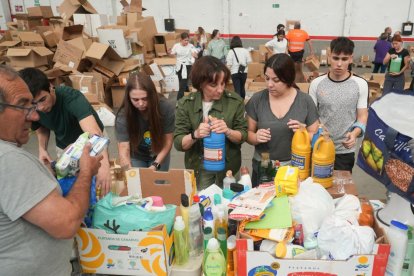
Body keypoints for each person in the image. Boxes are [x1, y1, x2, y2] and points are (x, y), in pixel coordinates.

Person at [0, 64, 101, 275]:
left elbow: (93, 132)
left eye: (35, 104)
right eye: (23, 105)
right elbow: (68, 222)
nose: (35, 116)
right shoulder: (8, 160)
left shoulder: (71, 98)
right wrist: (85, 173)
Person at [19, 67, 111, 195]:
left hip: (92, 143)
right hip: (64, 146)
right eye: (35, 104)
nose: (41, 107)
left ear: (51, 87)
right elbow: (41, 127)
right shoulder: (34, 109)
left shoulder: (72, 98)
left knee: (99, 180)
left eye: (43, 99)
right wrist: (42, 149)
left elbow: (94, 133)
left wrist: (104, 165)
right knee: (70, 184)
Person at [174, 56, 247, 190]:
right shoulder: (186, 104)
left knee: (227, 203)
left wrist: (228, 131)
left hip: (228, 168)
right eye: (213, 85)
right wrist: (195, 134)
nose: (220, 89)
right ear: (200, 83)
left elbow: (243, 135)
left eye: (223, 83)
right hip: (199, 168)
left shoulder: (234, 102)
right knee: (203, 205)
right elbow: (179, 143)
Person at [245, 54, 319, 187]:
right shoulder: (257, 100)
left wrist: (303, 132)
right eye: (267, 79)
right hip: (264, 166)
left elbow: (316, 137)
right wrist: (256, 137)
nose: (270, 84)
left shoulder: (305, 101)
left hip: (294, 167)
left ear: (288, 78)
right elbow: (247, 133)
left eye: (276, 80)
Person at [309, 37, 368, 172]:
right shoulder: (316, 84)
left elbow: (362, 116)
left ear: (351, 59)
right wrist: (320, 132)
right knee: (317, 188)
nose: (339, 64)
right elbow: (311, 116)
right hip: (319, 146)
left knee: (342, 191)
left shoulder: (360, 84)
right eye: (336, 58)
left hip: (344, 150)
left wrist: (355, 133)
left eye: (344, 59)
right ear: (329, 57)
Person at [115, 72, 175, 171]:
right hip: (137, 155)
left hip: (160, 152)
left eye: (145, 98)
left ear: (152, 95)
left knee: (158, 184)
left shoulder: (165, 107)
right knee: (137, 183)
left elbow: (168, 141)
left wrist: (155, 164)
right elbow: (123, 147)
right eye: (135, 100)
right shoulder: (123, 115)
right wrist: (128, 170)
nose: (141, 103)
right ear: (128, 98)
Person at [170, 32, 198, 100]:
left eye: (187, 40)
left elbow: (195, 53)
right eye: (185, 40)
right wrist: (170, 53)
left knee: (183, 84)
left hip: (187, 66)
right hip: (179, 66)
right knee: (182, 82)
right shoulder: (176, 46)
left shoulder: (190, 46)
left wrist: (195, 55)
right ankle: (187, 96)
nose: (186, 42)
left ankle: (179, 101)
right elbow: (172, 54)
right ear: (181, 40)